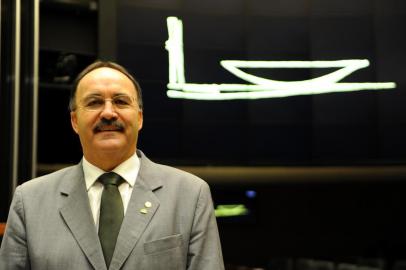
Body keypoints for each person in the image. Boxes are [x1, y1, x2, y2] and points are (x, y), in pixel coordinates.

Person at [0, 61, 225, 270]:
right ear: (75, 121)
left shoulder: (190, 195)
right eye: (94, 102)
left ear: (139, 117)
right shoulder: (29, 202)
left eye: (120, 101)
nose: (108, 113)